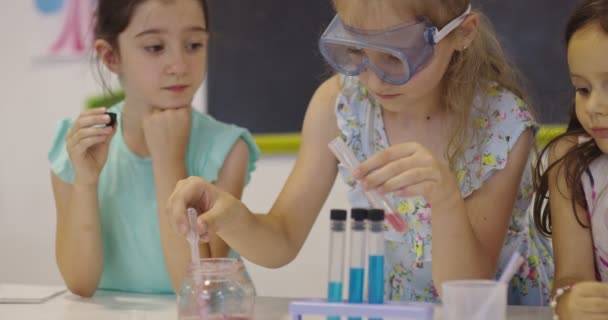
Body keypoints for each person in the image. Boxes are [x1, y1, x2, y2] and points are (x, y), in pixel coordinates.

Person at [168, 0, 552, 304]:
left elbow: (465, 286)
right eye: (355, 50)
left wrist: (445, 197)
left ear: (463, 33)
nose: (371, 76)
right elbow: (282, 239)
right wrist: (230, 215)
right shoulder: (343, 105)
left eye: (396, 56)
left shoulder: (502, 125)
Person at [48, 0, 259, 296]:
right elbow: (81, 283)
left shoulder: (226, 149)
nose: (179, 66)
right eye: (155, 47)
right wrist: (85, 181)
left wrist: (169, 160)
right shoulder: (77, 147)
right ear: (111, 56)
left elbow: (198, 290)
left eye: (194, 44)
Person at [532, 0, 608, 318]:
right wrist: (569, 303)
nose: (593, 106)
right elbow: (569, 279)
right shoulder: (573, 165)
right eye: (583, 88)